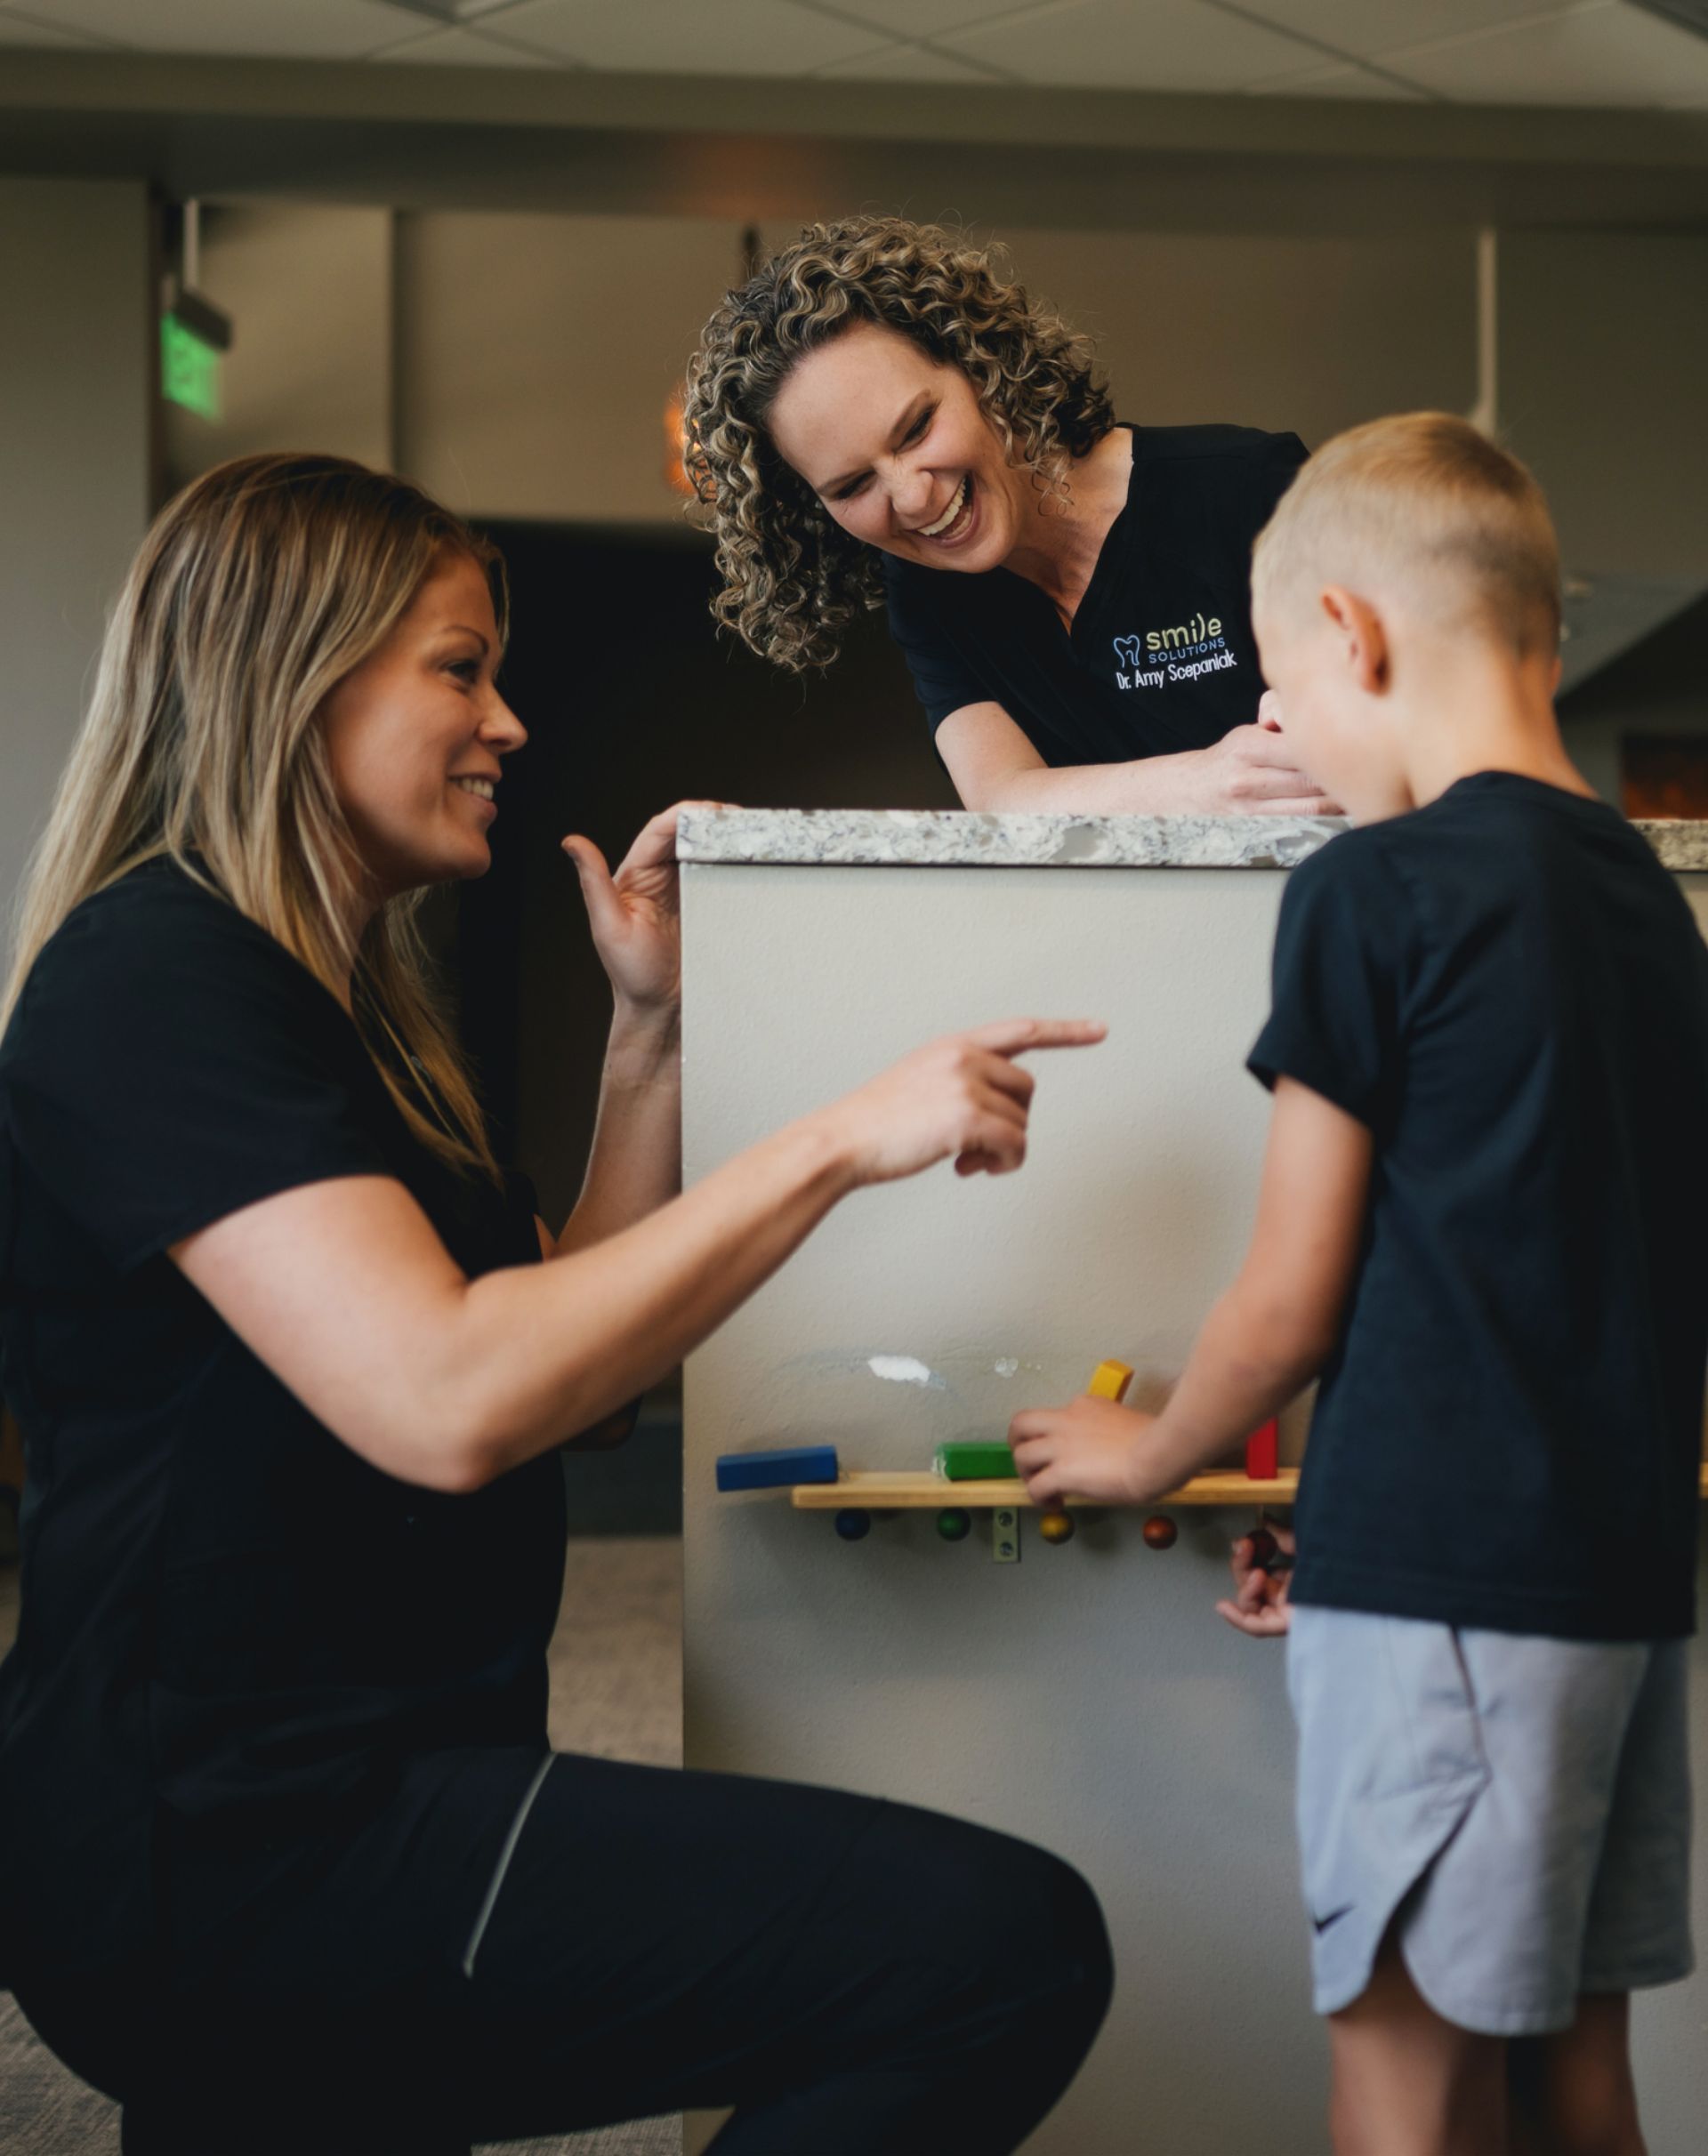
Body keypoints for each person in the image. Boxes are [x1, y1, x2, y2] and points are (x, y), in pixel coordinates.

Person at [0, 453, 1114, 2155]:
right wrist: (840, 1136)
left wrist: (650, 1038)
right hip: (247, 1837)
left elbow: (563, 1362)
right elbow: (448, 1398)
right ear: (290, 680)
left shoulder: (333, 1008)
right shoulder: (160, 975)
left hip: (364, 1780)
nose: (509, 721)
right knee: (992, 1950)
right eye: (458, 666)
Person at [1006, 414, 1708, 2156]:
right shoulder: (1648, 899)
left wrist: (1149, 1450)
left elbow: (1293, 1290)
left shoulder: (1372, 890)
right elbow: (1533, 1273)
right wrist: (1347, 1503)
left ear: (1355, 636)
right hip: (1613, 1582)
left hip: (1445, 1602)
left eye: (1277, 687)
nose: (1284, 733)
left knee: (1403, 2093)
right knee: (1572, 2074)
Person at [684, 214, 1337, 818]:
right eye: (853, 484)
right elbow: (1001, 800)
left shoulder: (1247, 487)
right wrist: (1208, 781)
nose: (911, 498)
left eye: (916, 430)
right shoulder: (927, 592)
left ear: (980, 366)